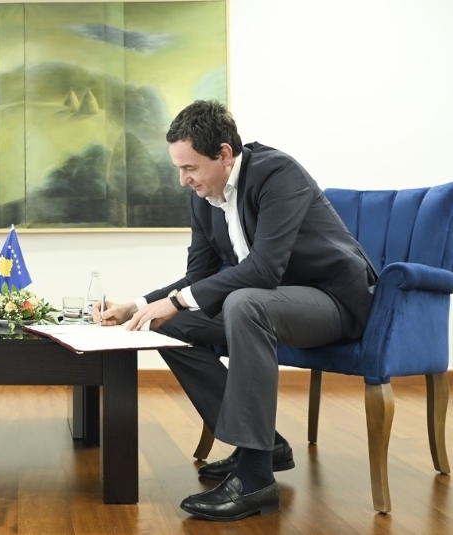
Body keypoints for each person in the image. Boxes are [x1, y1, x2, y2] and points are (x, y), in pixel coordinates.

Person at [95, 100, 376, 521]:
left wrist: (176, 301)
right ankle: (263, 446)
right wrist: (138, 306)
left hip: (334, 301)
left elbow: (264, 270)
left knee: (244, 302)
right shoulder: (203, 196)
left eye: (190, 168)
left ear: (224, 154)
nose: (183, 180)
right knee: (170, 324)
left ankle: (255, 479)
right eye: (178, 169)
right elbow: (198, 277)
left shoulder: (278, 174)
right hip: (272, 304)